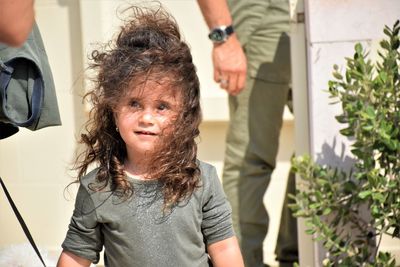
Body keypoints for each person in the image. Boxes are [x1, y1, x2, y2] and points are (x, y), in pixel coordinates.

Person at [56, 6, 244, 267]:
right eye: (134, 103)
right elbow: (76, 256)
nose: (147, 118)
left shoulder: (203, 180)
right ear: (114, 108)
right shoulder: (97, 188)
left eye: (162, 106)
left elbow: (224, 248)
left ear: (182, 115)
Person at [197, 0, 298, 266]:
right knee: (251, 158)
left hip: (318, 16)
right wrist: (224, 37)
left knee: (322, 142)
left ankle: (296, 255)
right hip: (263, 14)